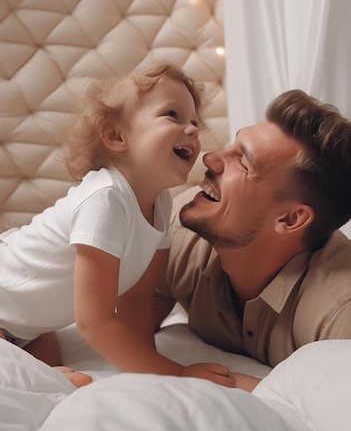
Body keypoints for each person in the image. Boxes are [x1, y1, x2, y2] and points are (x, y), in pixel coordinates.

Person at [0, 63, 239, 388]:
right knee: (32, 378)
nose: (194, 130)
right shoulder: (106, 197)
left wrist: (149, 367)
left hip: (28, 326)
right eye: (173, 115)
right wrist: (176, 374)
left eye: (194, 121)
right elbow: (94, 322)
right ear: (116, 136)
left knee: (51, 369)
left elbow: (137, 300)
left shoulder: (161, 202)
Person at [153, 88, 351, 390]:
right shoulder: (180, 231)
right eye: (232, 146)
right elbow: (116, 323)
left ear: (290, 219)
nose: (210, 158)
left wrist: (241, 385)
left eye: (243, 163)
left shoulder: (339, 313)